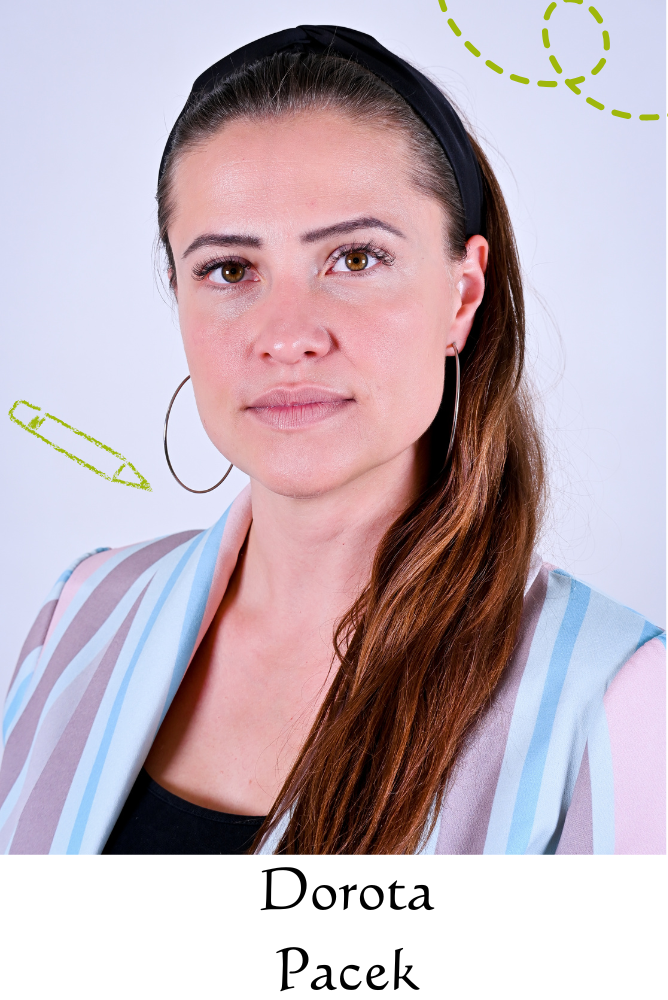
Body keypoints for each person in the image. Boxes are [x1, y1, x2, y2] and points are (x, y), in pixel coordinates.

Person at [1, 26, 664, 856]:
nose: (288, 337)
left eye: (355, 258)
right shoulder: (79, 613)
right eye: (230, 270)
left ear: (462, 296)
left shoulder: (613, 694)